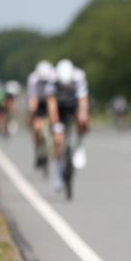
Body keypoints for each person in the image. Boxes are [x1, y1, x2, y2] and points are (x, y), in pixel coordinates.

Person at [46, 59, 90, 192]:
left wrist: (82, 115)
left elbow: (83, 100)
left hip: (74, 105)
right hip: (59, 108)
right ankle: (59, 175)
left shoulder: (78, 77)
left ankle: (80, 145)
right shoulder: (52, 78)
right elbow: (51, 102)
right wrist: (54, 120)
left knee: (84, 121)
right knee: (58, 141)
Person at [27, 60, 55, 169]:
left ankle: (52, 146)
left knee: (54, 121)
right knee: (37, 128)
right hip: (38, 101)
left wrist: (53, 117)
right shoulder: (33, 79)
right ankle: (38, 150)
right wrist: (32, 114)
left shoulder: (54, 76)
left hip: (51, 100)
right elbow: (32, 99)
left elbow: (53, 100)